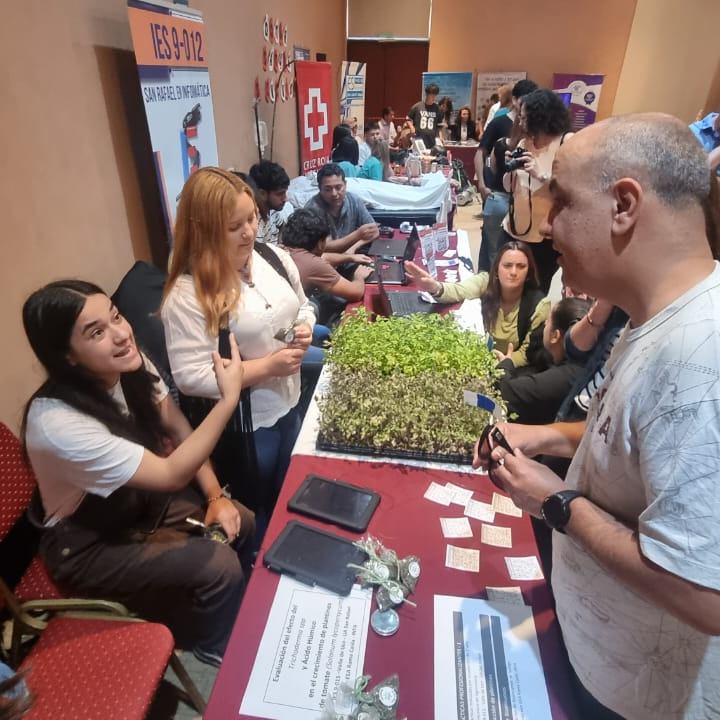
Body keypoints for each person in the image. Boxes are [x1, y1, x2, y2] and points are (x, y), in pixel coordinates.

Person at [475, 113, 720, 719]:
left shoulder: (701, 357)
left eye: (562, 200)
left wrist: (556, 502)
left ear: (624, 205)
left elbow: (703, 591)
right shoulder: (655, 319)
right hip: (597, 658)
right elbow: (634, 438)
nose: (547, 224)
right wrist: (544, 436)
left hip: (635, 699)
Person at [21, 279, 254, 668]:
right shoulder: (56, 423)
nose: (121, 335)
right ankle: (214, 643)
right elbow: (170, 473)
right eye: (96, 332)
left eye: (116, 316)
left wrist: (216, 496)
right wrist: (228, 400)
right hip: (87, 543)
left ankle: (224, 607)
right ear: (67, 356)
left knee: (241, 521)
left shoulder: (128, 363)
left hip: (136, 503)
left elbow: (179, 430)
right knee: (219, 566)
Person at [162, 168, 316, 517]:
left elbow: (303, 305)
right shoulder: (188, 294)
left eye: (252, 218)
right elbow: (191, 377)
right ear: (204, 230)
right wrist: (266, 367)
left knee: (290, 493)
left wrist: (305, 326)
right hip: (247, 424)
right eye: (234, 227)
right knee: (257, 507)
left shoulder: (271, 257)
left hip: (291, 401)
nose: (249, 232)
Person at [405, 240, 549, 368]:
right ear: (497, 270)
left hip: (510, 371)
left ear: (528, 273)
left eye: (521, 266)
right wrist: (434, 286)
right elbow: (458, 291)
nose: (513, 272)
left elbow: (526, 354)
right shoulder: (485, 282)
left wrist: (499, 364)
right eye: (507, 265)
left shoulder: (539, 306)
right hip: (478, 360)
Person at [501, 88, 572, 293]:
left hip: (543, 237)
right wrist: (510, 169)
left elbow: (573, 192)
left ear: (540, 117)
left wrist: (541, 175)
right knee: (507, 285)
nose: (520, 121)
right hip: (513, 227)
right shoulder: (525, 143)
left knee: (535, 290)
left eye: (524, 117)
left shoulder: (566, 142)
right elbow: (510, 188)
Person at [474, 80, 538, 272]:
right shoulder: (499, 122)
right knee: (493, 251)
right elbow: (481, 153)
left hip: (526, 198)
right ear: (515, 100)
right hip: (500, 194)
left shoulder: (537, 129)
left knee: (518, 255)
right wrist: (482, 185)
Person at [498, 297, 590, 424]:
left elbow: (505, 393)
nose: (545, 324)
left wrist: (505, 364)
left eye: (548, 321)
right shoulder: (582, 363)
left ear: (555, 336)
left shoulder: (568, 377)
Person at [282, 208, 372, 304]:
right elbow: (356, 293)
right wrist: (359, 276)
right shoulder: (313, 265)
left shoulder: (281, 250)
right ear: (320, 243)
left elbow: (324, 257)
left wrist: (349, 257)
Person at [304, 163, 379, 253]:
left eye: (338, 187)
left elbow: (374, 231)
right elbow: (324, 247)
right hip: (324, 259)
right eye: (328, 189)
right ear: (320, 188)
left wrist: (354, 247)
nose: (334, 194)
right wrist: (357, 235)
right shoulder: (312, 209)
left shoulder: (353, 200)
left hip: (351, 255)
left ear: (345, 185)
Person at [248, 160, 294, 245]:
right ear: (262, 193)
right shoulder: (254, 223)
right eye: (280, 194)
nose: (285, 199)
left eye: (285, 192)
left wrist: (280, 245)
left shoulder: (272, 211)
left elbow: (282, 226)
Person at [407, 83, 442, 151]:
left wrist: (440, 137)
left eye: (435, 95)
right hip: (419, 140)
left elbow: (439, 125)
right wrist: (411, 127)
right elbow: (408, 118)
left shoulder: (437, 108)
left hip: (432, 141)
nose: (434, 97)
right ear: (427, 94)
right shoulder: (417, 106)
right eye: (432, 94)